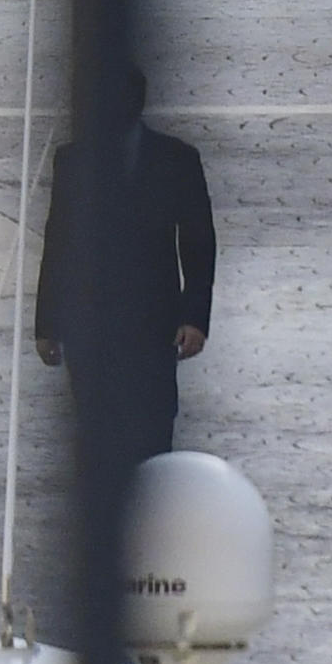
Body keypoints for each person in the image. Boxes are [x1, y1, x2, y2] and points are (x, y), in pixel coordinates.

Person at [35, 65, 216, 458]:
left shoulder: (177, 160)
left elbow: (198, 242)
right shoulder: (72, 161)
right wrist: (47, 323)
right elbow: (58, 242)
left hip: (153, 324)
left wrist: (194, 317)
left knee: (153, 430)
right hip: (90, 323)